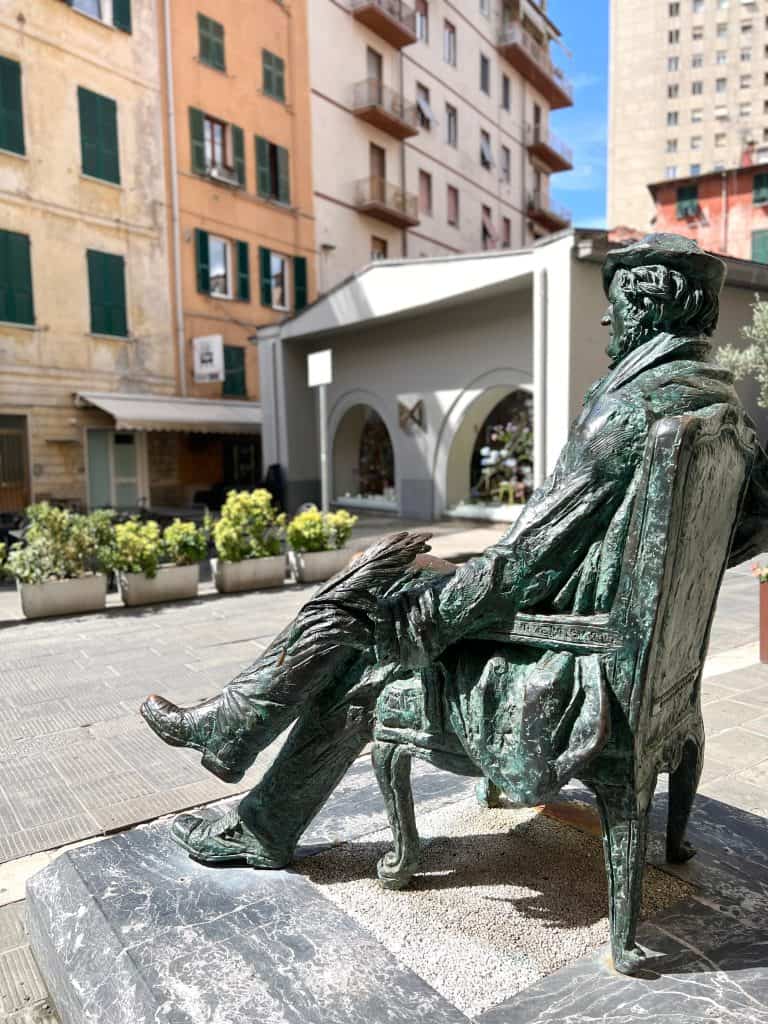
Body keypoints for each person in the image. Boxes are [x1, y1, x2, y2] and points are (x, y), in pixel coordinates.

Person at [142, 233, 768, 868]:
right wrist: (653, 579)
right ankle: (240, 751)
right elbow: (755, 522)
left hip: (569, 651)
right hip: (630, 649)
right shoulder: (720, 409)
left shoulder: (625, 414)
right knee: (375, 597)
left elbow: (524, 565)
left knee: (357, 619)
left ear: (651, 306)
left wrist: (431, 619)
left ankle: (248, 779)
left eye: (618, 302)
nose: (607, 319)